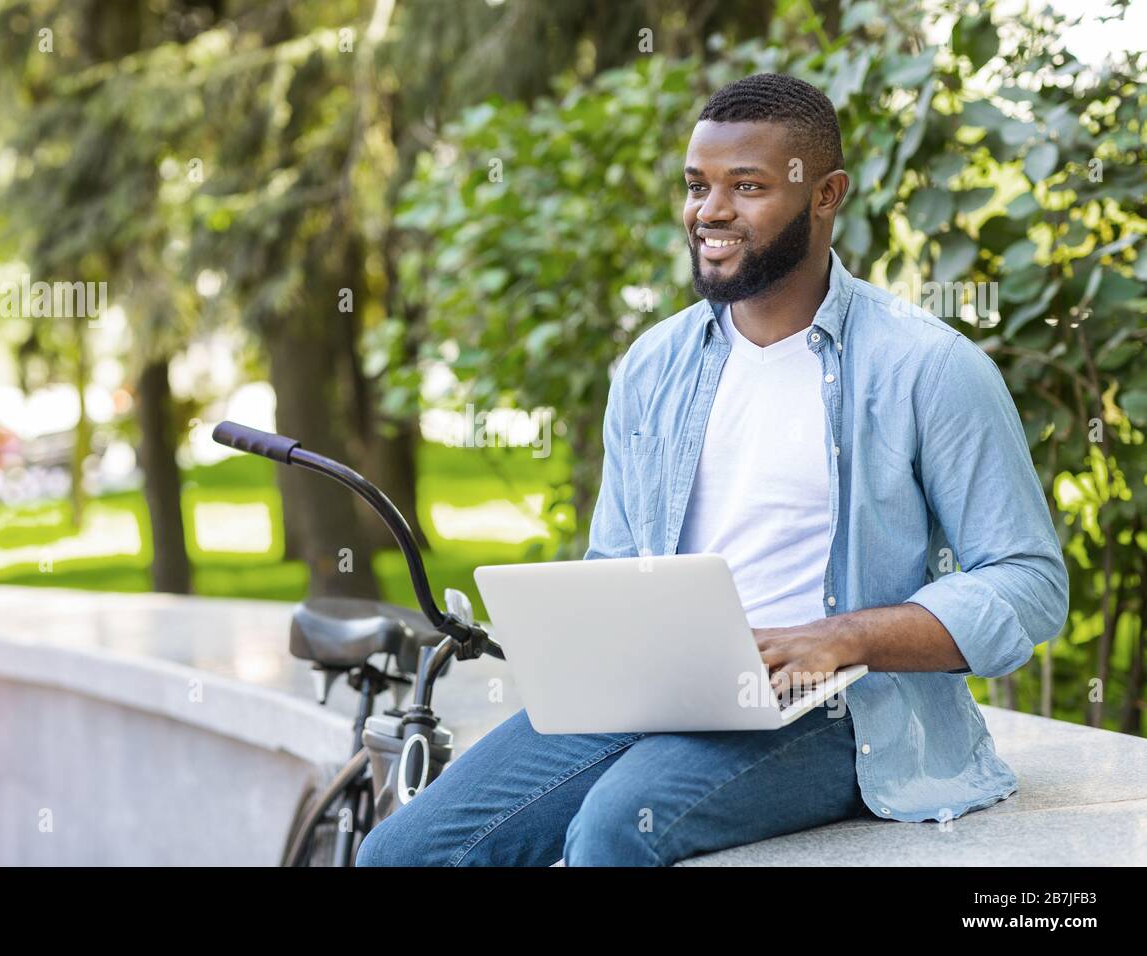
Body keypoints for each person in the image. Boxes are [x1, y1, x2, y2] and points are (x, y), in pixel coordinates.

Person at [355, 73, 1068, 867]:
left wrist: (837, 639)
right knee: (403, 853)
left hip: (838, 710)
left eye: (748, 186)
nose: (710, 211)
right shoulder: (653, 365)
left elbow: (1027, 582)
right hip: (655, 685)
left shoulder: (929, 368)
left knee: (615, 828)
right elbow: (618, 566)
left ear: (825, 194)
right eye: (698, 185)